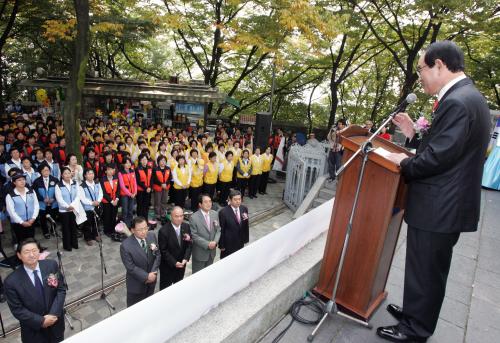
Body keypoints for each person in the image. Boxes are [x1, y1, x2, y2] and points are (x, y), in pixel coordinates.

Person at [380, 41, 490, 342]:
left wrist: (403, 161)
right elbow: (447, 147)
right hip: (445, 202)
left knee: (427, 270)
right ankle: (416, 313)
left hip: (440, 205)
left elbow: (437, 158)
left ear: (439, 65)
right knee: (425, 267)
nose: (421, 77)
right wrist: (414, 134)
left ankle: (415, 330)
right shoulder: (467, 96)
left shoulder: (458, 101)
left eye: (422, 70)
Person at [4, 238, 66, 343]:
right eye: (26, 252)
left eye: (34, 250)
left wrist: (53, 314)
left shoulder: (51, 265)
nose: (31, 255)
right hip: (33, 331)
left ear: (39, 251)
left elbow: (61, 290)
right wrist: (41, 321)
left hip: (56, 324)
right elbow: (17, 309)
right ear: (19, 255)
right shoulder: (11, 281)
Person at [120, 216, 160, 307]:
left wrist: (153, 272)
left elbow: (157, 255)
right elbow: (131, 267)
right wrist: (147, 276)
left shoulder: (151, 235)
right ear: (133, 230)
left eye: (146, 228)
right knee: (134, 310)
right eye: (140, 229)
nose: (144, 231)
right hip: (136, 286)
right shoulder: (125, 246)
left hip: (151, 282)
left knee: (148, 306)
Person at [157, 206, 192, 290]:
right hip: (168, 266)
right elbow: (163, 250)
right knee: (165, 289)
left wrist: (185, 258)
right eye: (177, 216)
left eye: (181, 216)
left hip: (181, 265)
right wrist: (174, 262)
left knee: (178, 287)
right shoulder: (163, 231)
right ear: (171, 216)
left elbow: (189, 244)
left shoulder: (186, 226)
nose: (179, 218)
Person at [189, 194, 221, 273]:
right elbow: (194, 236)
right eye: (205, 202)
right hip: (200, 253)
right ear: (200, 204)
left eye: (210, 201)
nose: (209, 204)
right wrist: (208, 244)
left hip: (212, 253)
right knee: (197, 276)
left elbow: (218, 230)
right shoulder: (194, 217)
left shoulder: (215, 214)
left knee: (208, 274)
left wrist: (215, 242)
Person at [6, 173, 40, 244]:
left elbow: (36, 205)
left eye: (23, 179)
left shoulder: (31, 191)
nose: (22, 181)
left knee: (31, 239)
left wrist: (33, 218)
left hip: (31, 221)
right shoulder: (10, 195)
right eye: (19, 180)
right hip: (18, 223)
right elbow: (11, 212)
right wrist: (21, 222)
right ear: (14, 182)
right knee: (21, 242)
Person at [55, 167, 81, 251]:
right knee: (66, 228)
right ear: (62, 175)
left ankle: (74, 243)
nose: (67, 175)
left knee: (73, 227)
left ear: (71, 174)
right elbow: (59, 199)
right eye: (65, 173)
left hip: (73, 208)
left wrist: (72, 205)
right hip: (64, 210)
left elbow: (78, 195)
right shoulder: (58, 185)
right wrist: (67, 206)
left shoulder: (75, 183)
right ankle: (67, 245)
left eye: (68, 173)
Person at [218, 189, 249, 258]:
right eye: (235, 199)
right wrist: (222, 245)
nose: (238, 201)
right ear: (230, 199)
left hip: (240, 241)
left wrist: (246, 238)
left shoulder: (244, 209)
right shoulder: (223, 212)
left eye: (239, 199)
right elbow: (221, 230)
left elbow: (246, 225)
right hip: (228, 244)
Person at [33, 163, 59, 239]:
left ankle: (53, 230)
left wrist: (54, 198)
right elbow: (35, 193)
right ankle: (45, 232)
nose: (46, 172)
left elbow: (59, 191)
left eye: (48, 170)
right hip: (42, 204)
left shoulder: (55, 180)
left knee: (53, 217)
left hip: (53, 203)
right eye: (44, 171)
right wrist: (42, 199)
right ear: (41, 172)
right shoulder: (37, 181)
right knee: (43, 218)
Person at [78, 169, 103, 246]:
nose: (91, 175)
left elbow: (100, 193)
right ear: (85, 175)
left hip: (96, 206)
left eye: (92, 173)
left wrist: (98, 201)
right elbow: (82, 198)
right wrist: (92, 203)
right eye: (88, 174)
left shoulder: (97, 183)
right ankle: (88, 238)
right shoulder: (82, 186)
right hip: (87, 208)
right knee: (87, 224)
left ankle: (95, 235)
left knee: (96, 222)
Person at [101, 163, 120, 237]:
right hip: (107, 202)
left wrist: (117, 199)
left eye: (112, 169)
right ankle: (107, 231)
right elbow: (103, 193)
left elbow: (118, 190)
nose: (111, 171)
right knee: (107, 216)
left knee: (114, 215)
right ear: (105, 171)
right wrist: (111, 201)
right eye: (109, 170)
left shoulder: (116, 178)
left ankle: (113, 229)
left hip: (115, 201)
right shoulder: (102, 180)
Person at [118, 157, 137, 228]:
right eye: (126, 163)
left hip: (132, 194)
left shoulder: (132, 171)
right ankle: (124, 225)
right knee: (125, 210)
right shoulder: (120, 173)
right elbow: (122, 186)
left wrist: (135, 192)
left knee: (130, 209)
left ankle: (131, 223)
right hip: (125, 195)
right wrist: (130, 194)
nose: (128, 164)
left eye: (129, 162)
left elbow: (135, 182)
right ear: (123, 164)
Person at [152, 155, 171, 222]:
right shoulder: (155, 169)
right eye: (161, 160)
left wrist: (166, 184)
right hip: (158, 187)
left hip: (166, 187)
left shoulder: (168, 168)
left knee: (164, 201)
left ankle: (163, 214)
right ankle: (157, 214)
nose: (163, 162)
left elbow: (170, 178)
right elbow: (154, 179)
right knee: (157, 201)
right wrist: (161, 184)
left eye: (164, 160)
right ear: (158, 162)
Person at [135, 153, 153, 221]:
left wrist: (150, 187)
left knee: (146, 206)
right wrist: (146, 188)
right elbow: (138, 181)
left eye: (145, 159)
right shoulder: (137, 169)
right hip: (141, 190)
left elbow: (151, 179)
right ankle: (139, 220)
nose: (144, 161)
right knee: (140, 205)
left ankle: (145, 219)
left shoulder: (149, 168)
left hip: (148, 190)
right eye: (142, 160)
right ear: (140, 161)